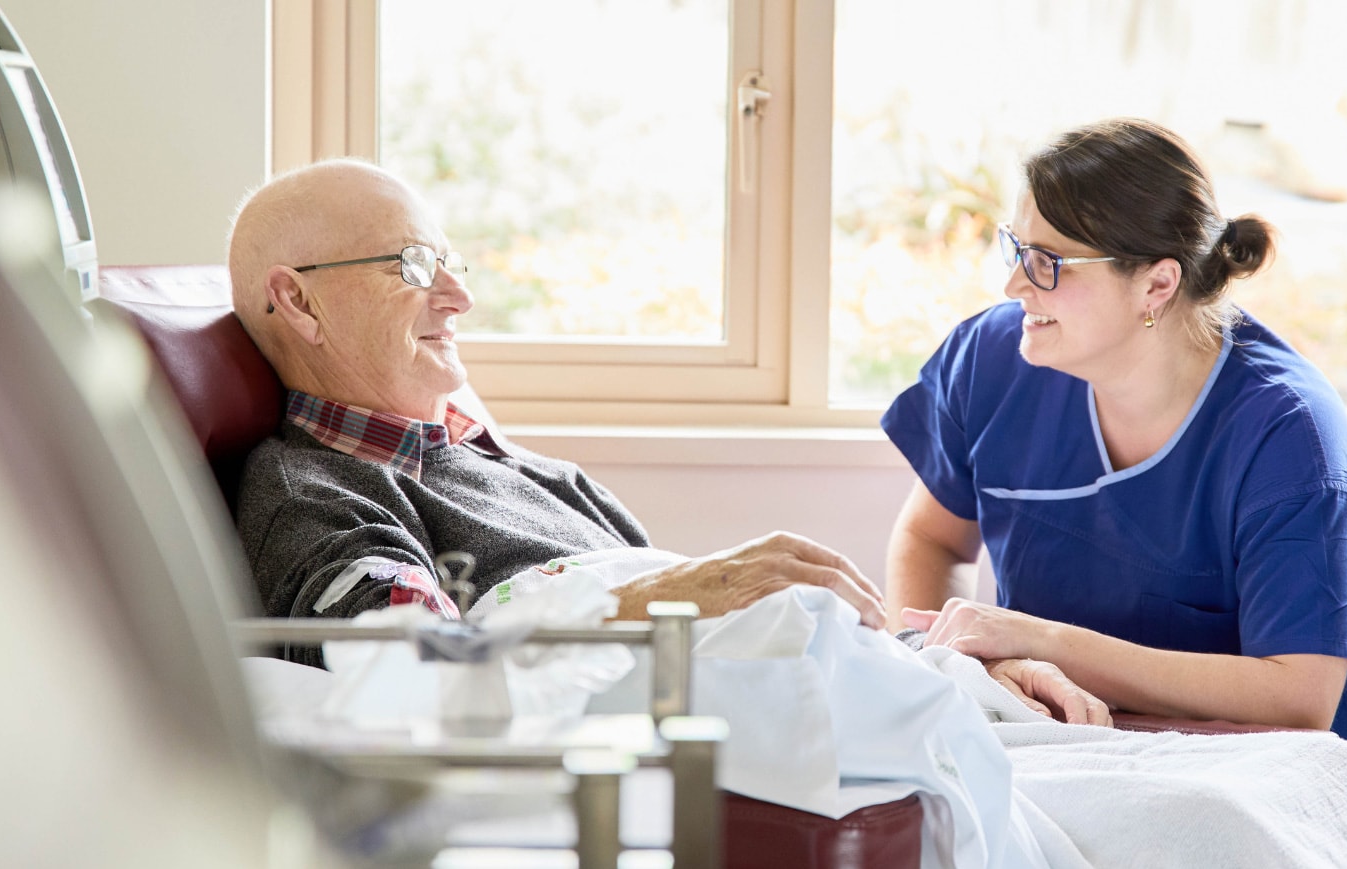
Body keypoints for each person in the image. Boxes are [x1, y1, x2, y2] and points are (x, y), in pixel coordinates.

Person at [223, 159, 1106, 723]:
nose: (458, 296)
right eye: (414, 266)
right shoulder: (313, 488)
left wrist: (961, 666)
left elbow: (707, 625)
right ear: (297, 302)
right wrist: (668, 598)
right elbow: (410, 677)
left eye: (453, 263)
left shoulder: (529, 470)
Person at [881, 118, 1347, 752]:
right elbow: (931, 538)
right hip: (1057, 745)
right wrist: (967, 668)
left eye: (1049, 264)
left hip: (1252, 771)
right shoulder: (995, 361)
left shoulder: (1288, 435)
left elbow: (1297, 697)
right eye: (1016, 249)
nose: (1014, 285)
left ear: (1157, 283)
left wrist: (1042, 641)